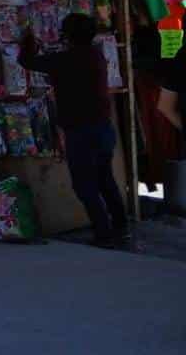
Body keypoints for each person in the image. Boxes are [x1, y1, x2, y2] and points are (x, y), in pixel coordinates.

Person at [23, 13, 130, 248]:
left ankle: (104, 232)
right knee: (105, 179)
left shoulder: (65, 59)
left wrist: (28, 37)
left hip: (81, 132)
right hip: (102, 128)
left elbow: (28, 61)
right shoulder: (96, 55)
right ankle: (120, 226)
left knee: (85, 185)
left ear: (67, 35)